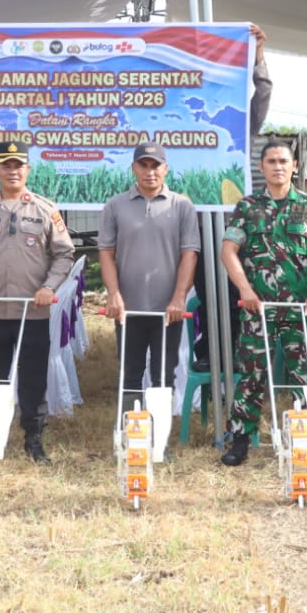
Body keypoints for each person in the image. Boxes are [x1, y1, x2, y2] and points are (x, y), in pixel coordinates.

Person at [0, 141, 77, 464]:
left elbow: (64, 254)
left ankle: (33, 439)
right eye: (6, 165)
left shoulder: (45, 209)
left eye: (18, 165)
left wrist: (49, 287)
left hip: (32, 313)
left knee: (33, 379)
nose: (12, 171)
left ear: (28, 170)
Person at [219, 140, 307, 465]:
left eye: (284, 161)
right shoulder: (247, 206)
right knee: (252, 373)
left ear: (294, 166)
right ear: (262, 167)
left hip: (301, 309)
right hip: (258, 308)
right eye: (271, 161)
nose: (278, 166)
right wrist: (245, 290)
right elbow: (228, 251)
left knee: (305, 374)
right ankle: (240, 440)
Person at [98, 142, 200, 412]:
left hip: (168, 311)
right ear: (133, 168)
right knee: (130, 375)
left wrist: (179, 297)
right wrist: (113, 294)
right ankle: (130, 430)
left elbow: (189, 254)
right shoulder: (115, 206)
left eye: (155, 166)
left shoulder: (182, 206)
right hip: (128, 309)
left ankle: (159, 432)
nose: (149, 171)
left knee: (163, 376)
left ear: (165, 169)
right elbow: (106, 252)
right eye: (143, 165)